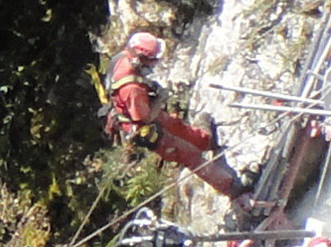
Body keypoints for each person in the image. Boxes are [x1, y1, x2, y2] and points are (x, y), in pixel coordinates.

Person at [103, 31, 249, 199]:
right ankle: (232, 187)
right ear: (142, 58)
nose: (155, 63)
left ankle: (205, 140)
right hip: (144, 127)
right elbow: (144, 119)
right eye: (153, 60)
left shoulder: (123, 58)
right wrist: (161, 98)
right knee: (189, 155)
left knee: (176, 126)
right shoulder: (132, 89)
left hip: (144, 109)